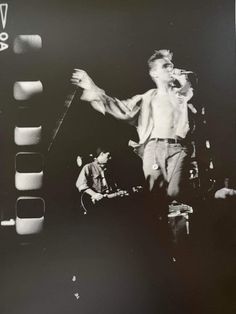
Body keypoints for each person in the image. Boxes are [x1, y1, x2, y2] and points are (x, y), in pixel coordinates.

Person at [72, 49, 196, 225]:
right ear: (154, 73)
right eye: (165, 66)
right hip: (155, 148)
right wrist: (92, 87)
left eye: (172, 66)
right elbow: (120, 107)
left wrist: (185, 79)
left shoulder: (180, 95)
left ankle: (174, 229)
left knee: (176, 193)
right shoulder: (148, 98)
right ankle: (161, 236)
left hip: (178, 148)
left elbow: (189, 90)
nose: (171, 69)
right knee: (158, 198)